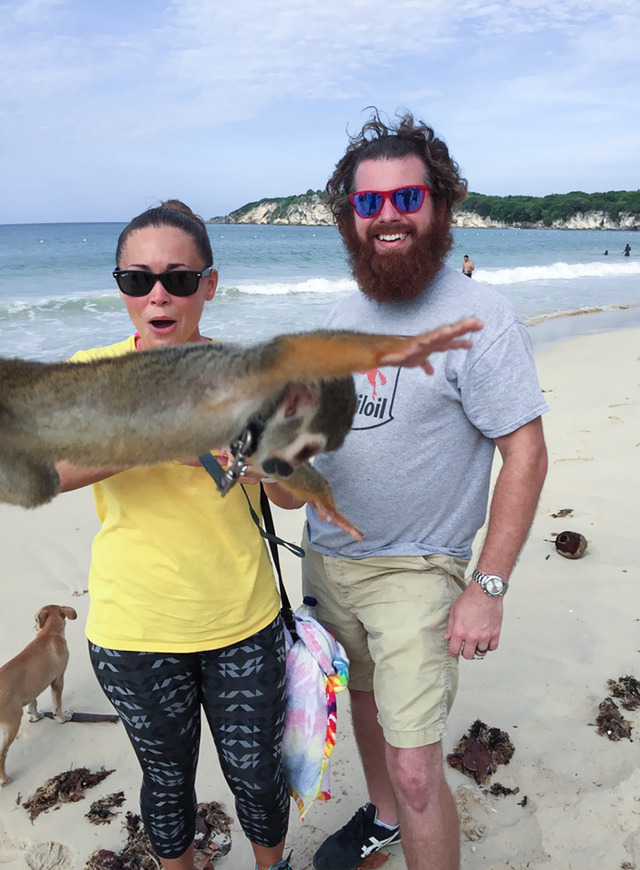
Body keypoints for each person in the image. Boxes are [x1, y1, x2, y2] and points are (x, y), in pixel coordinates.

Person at [272, 111, 548, 870]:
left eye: (406, 198)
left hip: (419, 570)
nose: (387, 215)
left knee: (420, 767)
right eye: (368, 203)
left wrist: (487, 586)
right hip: (329, 562)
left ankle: (405, 810)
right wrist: (277, 461)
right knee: (363, 704)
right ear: (349, 218)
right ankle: (383, 818)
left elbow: (525, 451)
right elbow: (306, 470)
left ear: (440, 204)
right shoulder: (341, 315)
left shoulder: (481, 321)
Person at [55, 201, 294, 870]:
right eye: (137, 279)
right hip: (134, 631)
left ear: (209, 286)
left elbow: (290, 492)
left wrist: (247, 459)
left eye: (179, 279)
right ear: (122, 288)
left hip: (242, 621)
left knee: (256, 776)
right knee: (165, 782)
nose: (158, 294)